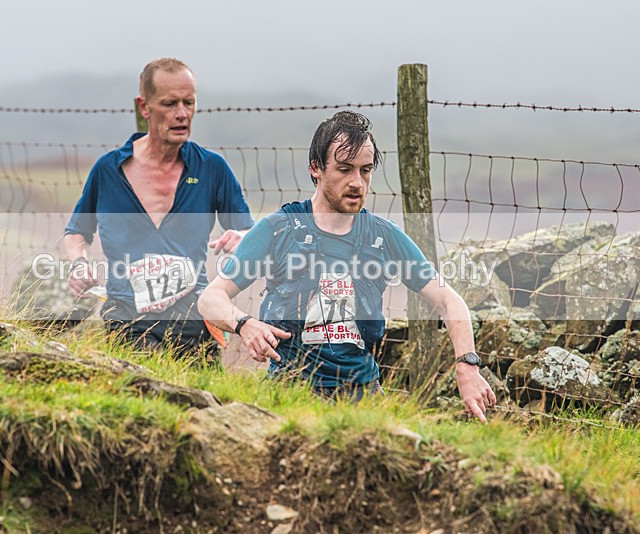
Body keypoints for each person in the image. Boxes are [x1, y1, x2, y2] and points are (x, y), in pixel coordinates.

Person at [197, 111, 496, 421]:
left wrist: (467, 366)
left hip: (363, 399)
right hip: (287, 394)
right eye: (344, 169)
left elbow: (449, 300)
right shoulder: (279, 228)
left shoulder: (383, 236)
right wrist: (245, 324)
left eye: (365, 171)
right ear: (316, 168)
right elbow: (210, 298)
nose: (357, 182)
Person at [65, 57, 254, 355]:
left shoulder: (212, 168)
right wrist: (78, 264)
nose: (182, 114)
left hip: (193, 319)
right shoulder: (108, 170)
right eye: (169, 104)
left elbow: (247, 230)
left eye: (188, 103)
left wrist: (243, 237)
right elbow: (77, 231)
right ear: (144, 107)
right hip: (127, 318)